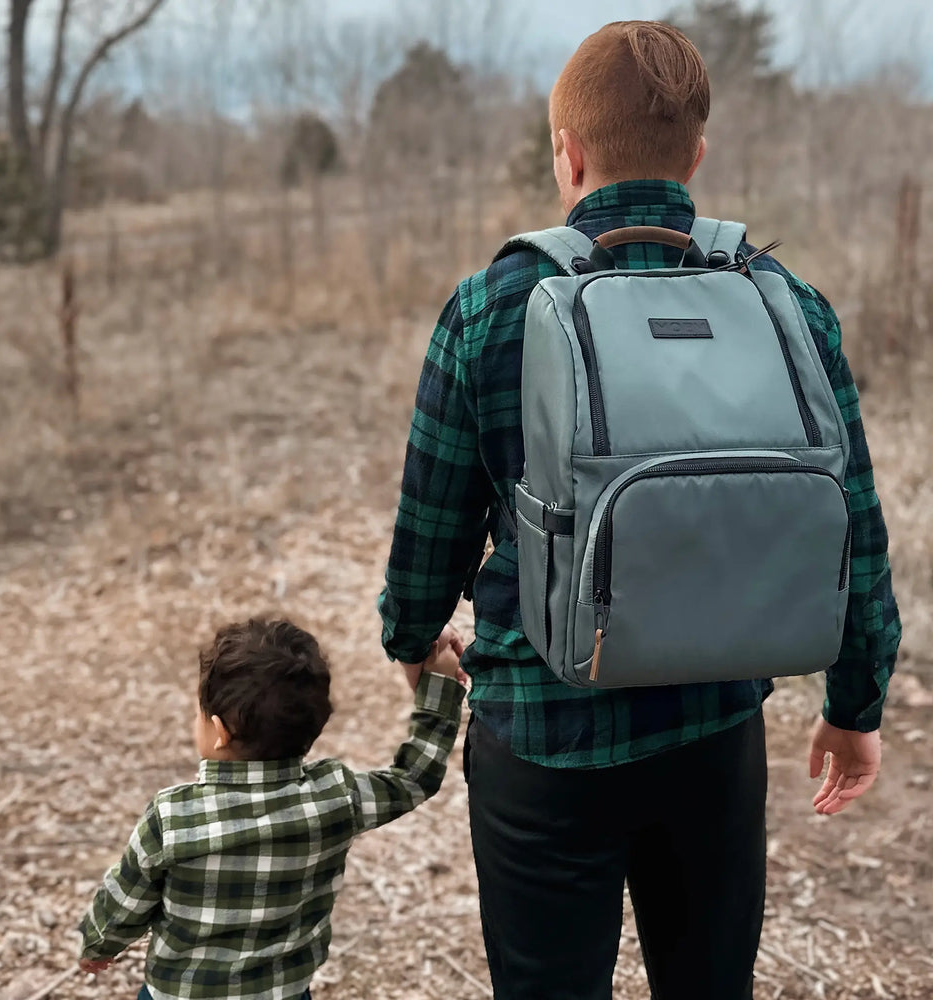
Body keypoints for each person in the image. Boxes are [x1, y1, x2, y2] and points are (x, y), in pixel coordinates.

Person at [378, 20, 901, 1000]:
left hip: (541, 730)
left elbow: (429, 533)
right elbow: (852, 524)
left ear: (565, 153)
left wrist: (415, 640)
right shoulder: (782, 299)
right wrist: (854, 702)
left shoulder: (490, 306)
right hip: (712, 727)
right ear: (696, 155)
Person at [77, 617, 466, 1000]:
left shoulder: (172, 818)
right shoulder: (335, 798)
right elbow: (413, 778)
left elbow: (125, 901)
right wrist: (441, 684)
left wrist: (97, 946)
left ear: (219, 730)